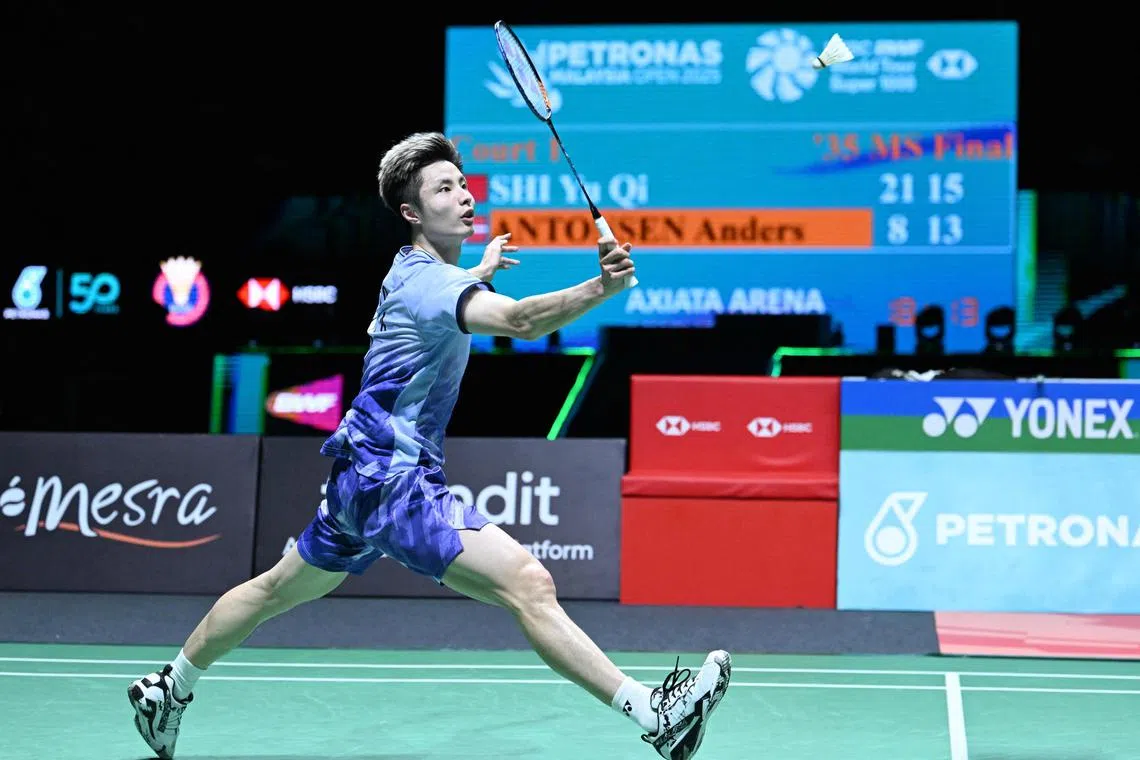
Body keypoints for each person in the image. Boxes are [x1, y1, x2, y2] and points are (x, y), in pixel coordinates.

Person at [127, 131, 732, 760]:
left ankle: (167, 688)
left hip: (359, 476)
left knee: (276, 590)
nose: (464, 196)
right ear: (413, 213)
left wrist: (478, 270)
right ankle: (654, 714)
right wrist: (598, 290)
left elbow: (435, 304)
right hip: (395, 482)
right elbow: (520, 322)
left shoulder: (416, 274)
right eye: (444, 188)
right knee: (528, 584)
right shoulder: (430, 287)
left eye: (464, 184)